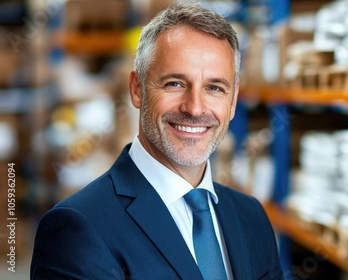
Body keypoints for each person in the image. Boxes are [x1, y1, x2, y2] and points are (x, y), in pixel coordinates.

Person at [30, 3, 283, 279]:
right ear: (137, 89)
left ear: (232, 102)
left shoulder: (252, 217)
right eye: (175, 83)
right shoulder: (78, 227)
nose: (195, 108)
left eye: (214, 88)